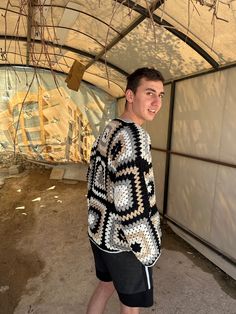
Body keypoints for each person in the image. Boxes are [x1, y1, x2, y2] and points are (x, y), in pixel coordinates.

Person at [86, 67, 164, 314]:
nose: (156, 102)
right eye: (149, 93)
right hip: (124, 242)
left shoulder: (112, 127)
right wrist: (147, 249)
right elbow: (129, 201)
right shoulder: (134, 137)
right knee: (131, 306)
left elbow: (93, 178)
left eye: (161, 95)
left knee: (105, 286)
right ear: (130, 95)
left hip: (101, 233)